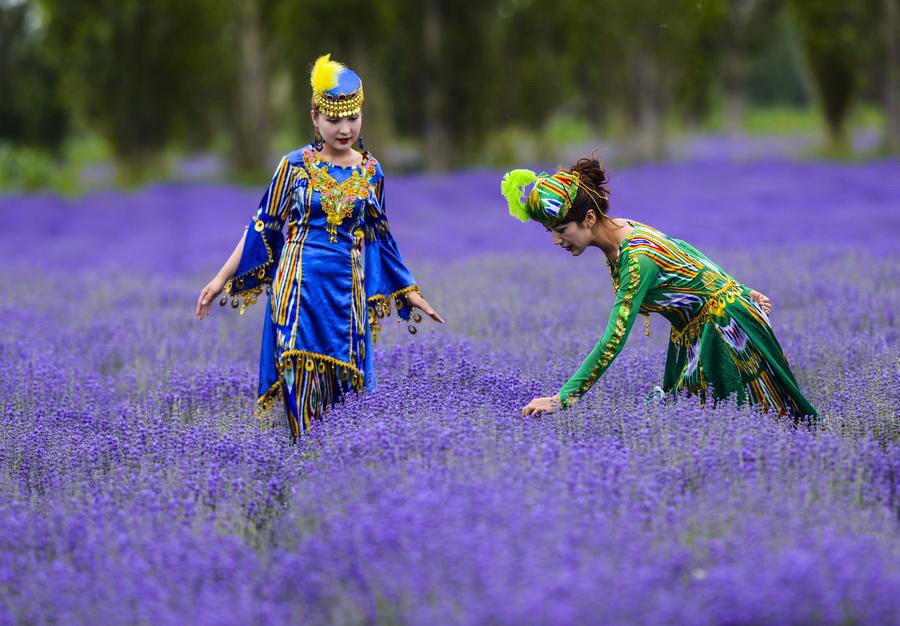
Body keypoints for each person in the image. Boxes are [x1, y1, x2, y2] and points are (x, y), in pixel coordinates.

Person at [197, 53, 443, 439]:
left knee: (349, 396)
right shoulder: (292, 166)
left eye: (353, 118)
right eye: (334, 120)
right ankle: (305, 461)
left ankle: (341, 477)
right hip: (297, 293)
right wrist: (219, 280)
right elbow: (261, 226)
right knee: (301, 386)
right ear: (314, 117)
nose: (345, 129)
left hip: (349, 296)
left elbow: (380, 237)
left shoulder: (371, 171)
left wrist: (407, 290)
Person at [501, 158, 817, 420]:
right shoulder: (620, 231)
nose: (556, 241)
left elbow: (614, 338)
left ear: (589, 217)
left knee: (757, 420)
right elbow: (687, 253)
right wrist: (741, 289)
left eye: (561, 230)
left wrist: (563, 398)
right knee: (702, 421)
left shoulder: (637, 259)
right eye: (550, 232)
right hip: (696, 330)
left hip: (723, 328)